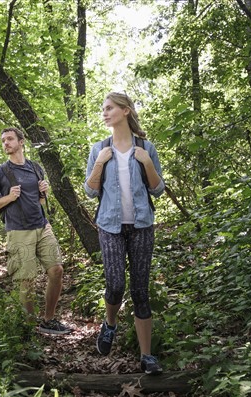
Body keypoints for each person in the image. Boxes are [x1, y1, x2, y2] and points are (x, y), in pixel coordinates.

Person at [84, 92, 165, 375]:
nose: (104, 113)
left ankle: (147, 356)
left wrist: (147, 163)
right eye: (103, 109)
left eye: (109, 108)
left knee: (141, 292)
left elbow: (157, 189)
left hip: (142, 225)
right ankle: (111, 325)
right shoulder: (99, 149)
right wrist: (98, 164)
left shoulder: (146, 147)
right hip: (110, 226)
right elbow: (91, 190)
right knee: (116, 285)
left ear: (125, 111)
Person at [0, 127, 71, 335]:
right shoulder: (0, 173)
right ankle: (29, 328)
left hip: (42, 225)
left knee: (56, 270)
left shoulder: (35, 168)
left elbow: (37, 201)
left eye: (10, 139)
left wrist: (43, 193)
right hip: (19, 231)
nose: (6, 143)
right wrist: (8, 198)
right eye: (3, 140)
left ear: (21, 142)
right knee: (26, 280)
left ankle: (48, 320)